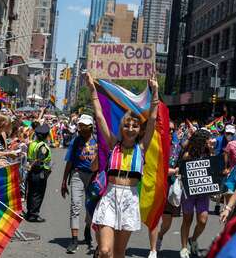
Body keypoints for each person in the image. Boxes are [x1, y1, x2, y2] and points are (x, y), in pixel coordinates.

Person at [85, 72, 159, 258]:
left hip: (129, 200)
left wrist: (155, 92)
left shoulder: (141, 148)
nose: (131, 128)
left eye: (135, 125)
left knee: (119, 253)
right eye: (127, 125)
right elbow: (100, 117)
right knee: (104, 250)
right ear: (122, 127)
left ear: (139, 129)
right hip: (110, 197)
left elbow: (152, 120)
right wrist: (93, 90)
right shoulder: (113, 144)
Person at [61, 114, 98, 254]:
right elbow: (69, 161)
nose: (82, 129)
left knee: (91, 207)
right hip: (77, 174)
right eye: (80, 125)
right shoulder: (76, 141)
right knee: (75, 206)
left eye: (85, 126)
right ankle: (74, 240)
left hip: (93, 177)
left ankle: (88, 228)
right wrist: (64, 181)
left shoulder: (98, 140)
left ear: (91, 127)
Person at [179, 129, 215, 258]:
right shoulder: (187, 154)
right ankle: (183, 248)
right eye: (208, 139)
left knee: (203, 220)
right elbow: (181, 169)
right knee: (187, 220)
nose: (210, 141)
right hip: (189, 191)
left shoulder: (209, 152)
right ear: (201, 140)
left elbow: (214, 168)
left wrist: (211, 152)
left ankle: (193, 239)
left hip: (203, 192)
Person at [148, 121, 181, 258]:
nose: (170, 131)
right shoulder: (153, 144)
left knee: (167, 221)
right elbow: (149, 164)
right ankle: (153, 249)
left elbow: (181, 163)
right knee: (154, 219)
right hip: (156, 185)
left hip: (171, 187)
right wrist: (167, 171)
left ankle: (160, 236)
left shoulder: (177, 147)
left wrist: (177, 170)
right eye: (168, 129)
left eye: (173, 129)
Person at [25, 124, 52, 222]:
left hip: (32, 171)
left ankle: (29, 212)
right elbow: (39, 160)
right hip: (39, 172)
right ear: (46, 135)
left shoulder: (32, 143)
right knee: (38, 194)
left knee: (31, 193)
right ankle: (34, 215)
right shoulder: (43, 146)